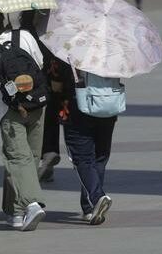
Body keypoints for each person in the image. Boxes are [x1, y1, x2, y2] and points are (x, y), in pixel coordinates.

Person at [0, 7, 47, 231]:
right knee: (30, 157)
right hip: (36, 103)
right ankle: (14, 212)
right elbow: (40, 64)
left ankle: (31, 204)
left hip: (10, 110)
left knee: (17, 159)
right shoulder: (26, 35)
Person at [56, 56, 117, 225]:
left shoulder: (66, 50)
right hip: (107, 105)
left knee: (82, 158)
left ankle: (96, 197)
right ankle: (89, 206)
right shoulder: (111, 48)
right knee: (99, 157)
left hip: (77, 106)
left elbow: (56, 83)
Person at [18, 10, 61, 183]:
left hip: (32, 80)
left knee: (34, 123)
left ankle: (36, 164)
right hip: (53, 77)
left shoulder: (25, 31)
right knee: (51, 113)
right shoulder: (50, 26)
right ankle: (49, 153)